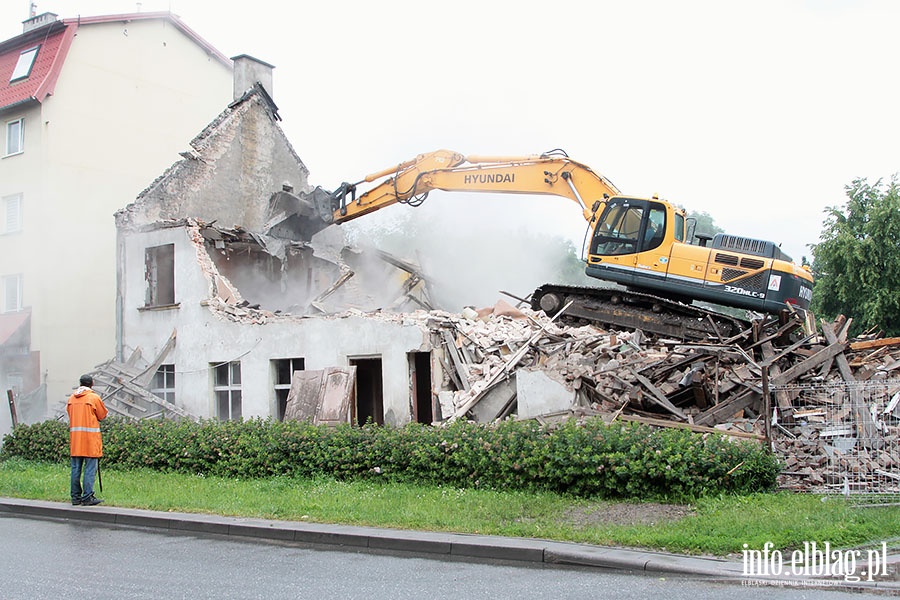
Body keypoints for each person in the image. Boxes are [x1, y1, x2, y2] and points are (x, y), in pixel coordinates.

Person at [67, 374, 108, 506]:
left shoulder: (72, 399)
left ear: (80, 384)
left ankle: (75, 497)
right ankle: (87, 496)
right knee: (90, 469)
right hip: (90, 441)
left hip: (76, 441)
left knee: (75, 469)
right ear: (92, 384)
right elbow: (102, 415)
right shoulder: (93, 397)